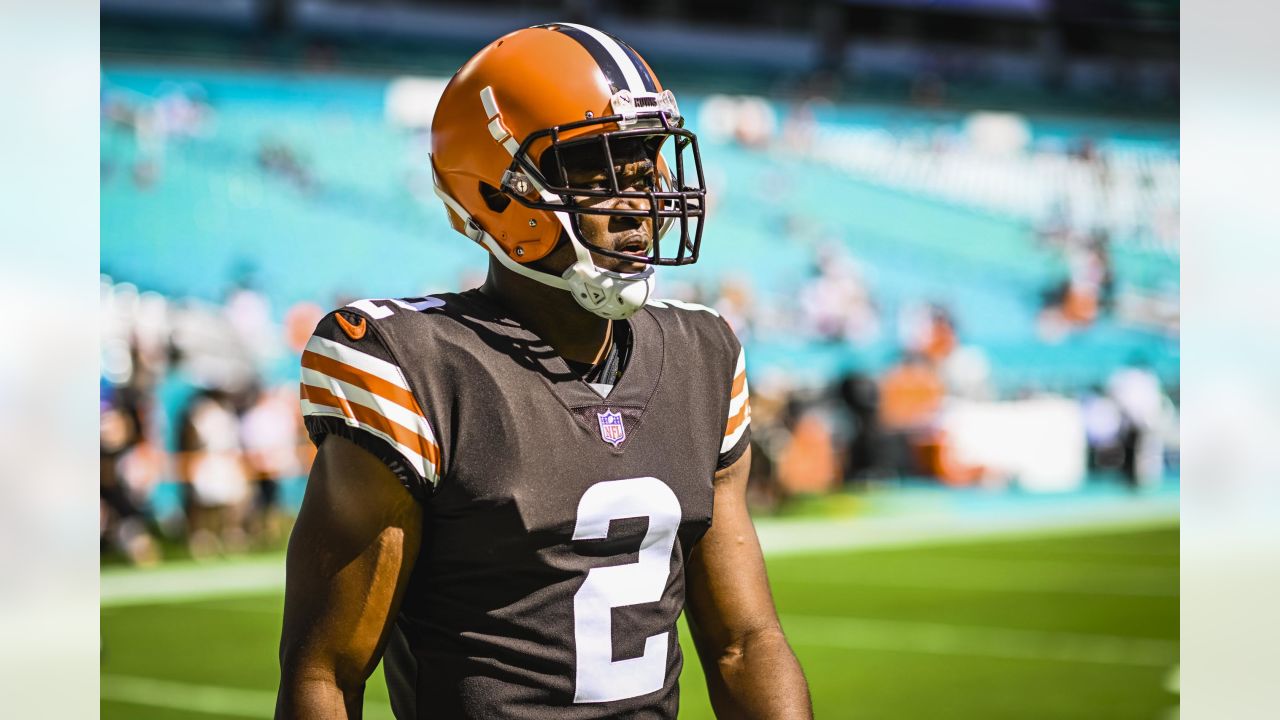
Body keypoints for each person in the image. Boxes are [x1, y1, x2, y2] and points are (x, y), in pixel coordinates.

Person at [276, 24, 812, 720]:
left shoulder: (702, 355)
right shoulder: (415, 368)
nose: (640, 198)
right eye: (597, 164)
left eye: (646, 160)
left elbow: (745, 642)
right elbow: (326, 673)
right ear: (495, 193)